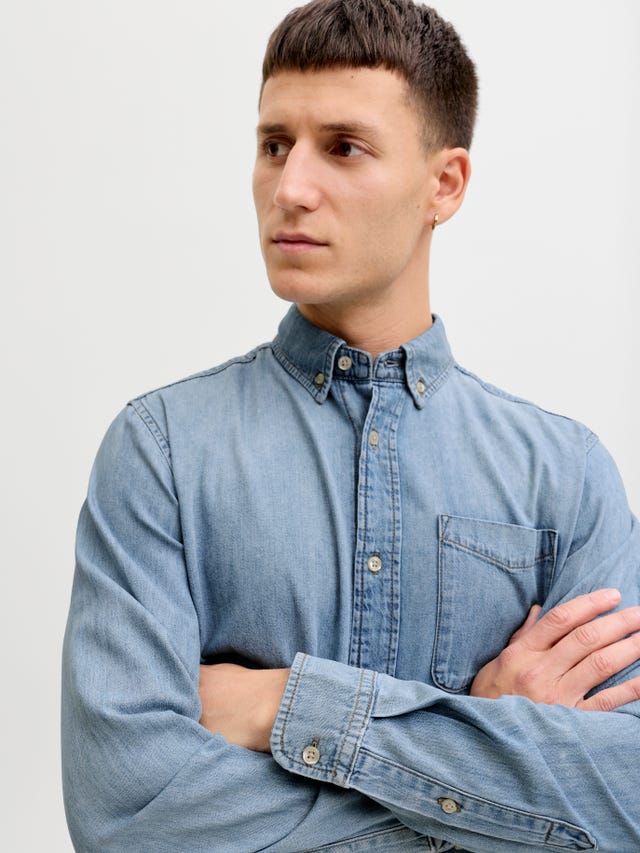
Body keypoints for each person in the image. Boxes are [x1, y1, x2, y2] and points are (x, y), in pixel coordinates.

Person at [62, 1, 640, 851]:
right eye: (274, 145)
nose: (290, 187)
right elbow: (127, 813)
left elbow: (624, 798)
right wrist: (482, 746)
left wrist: (284, 704)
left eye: (343, 147)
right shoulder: (162, 451)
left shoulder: (567, 474)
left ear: (445, 184)